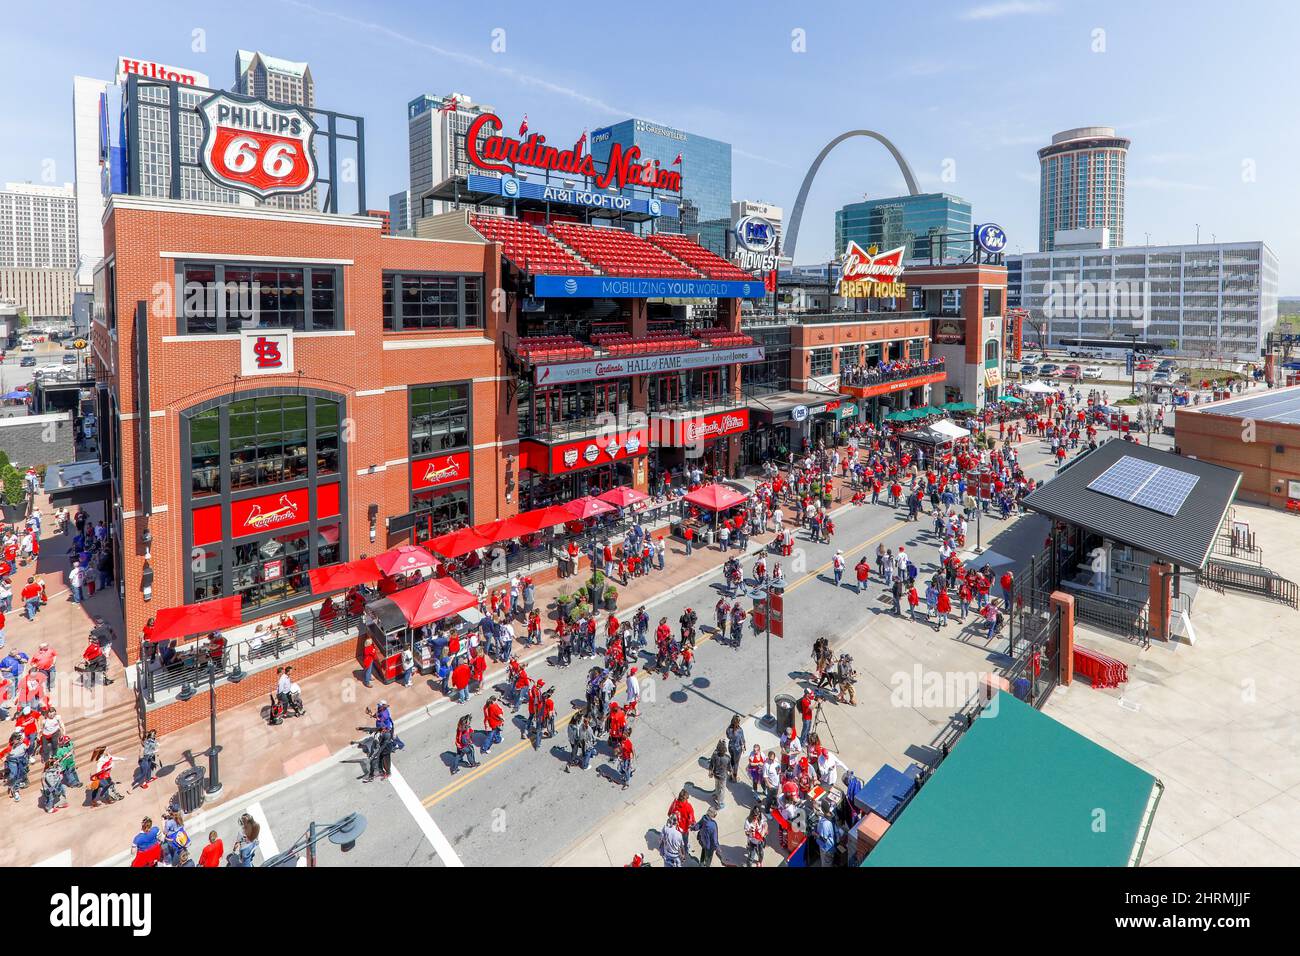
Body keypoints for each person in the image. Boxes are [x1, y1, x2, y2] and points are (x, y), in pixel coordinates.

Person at [709, 739, 730, 810]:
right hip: (723, 777)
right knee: (722, 790)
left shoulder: (715, 756)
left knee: (717, 786)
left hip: (716, 775)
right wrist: (732, 774)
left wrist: (710, 772)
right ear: (725, 751)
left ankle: (716, 795)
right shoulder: (727, 758)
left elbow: (711, 765)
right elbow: (730, 768)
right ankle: (720, 803)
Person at [725, 715, 746, 781]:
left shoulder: (728, 729)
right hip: (737, 749)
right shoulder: (739, 730)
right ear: (737, 722)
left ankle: (730, 772)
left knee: (732, 760)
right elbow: (742, 739)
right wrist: (744, 746)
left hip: (730, 747)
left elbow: (729, 737)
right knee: (736, 763)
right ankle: (734, 777)